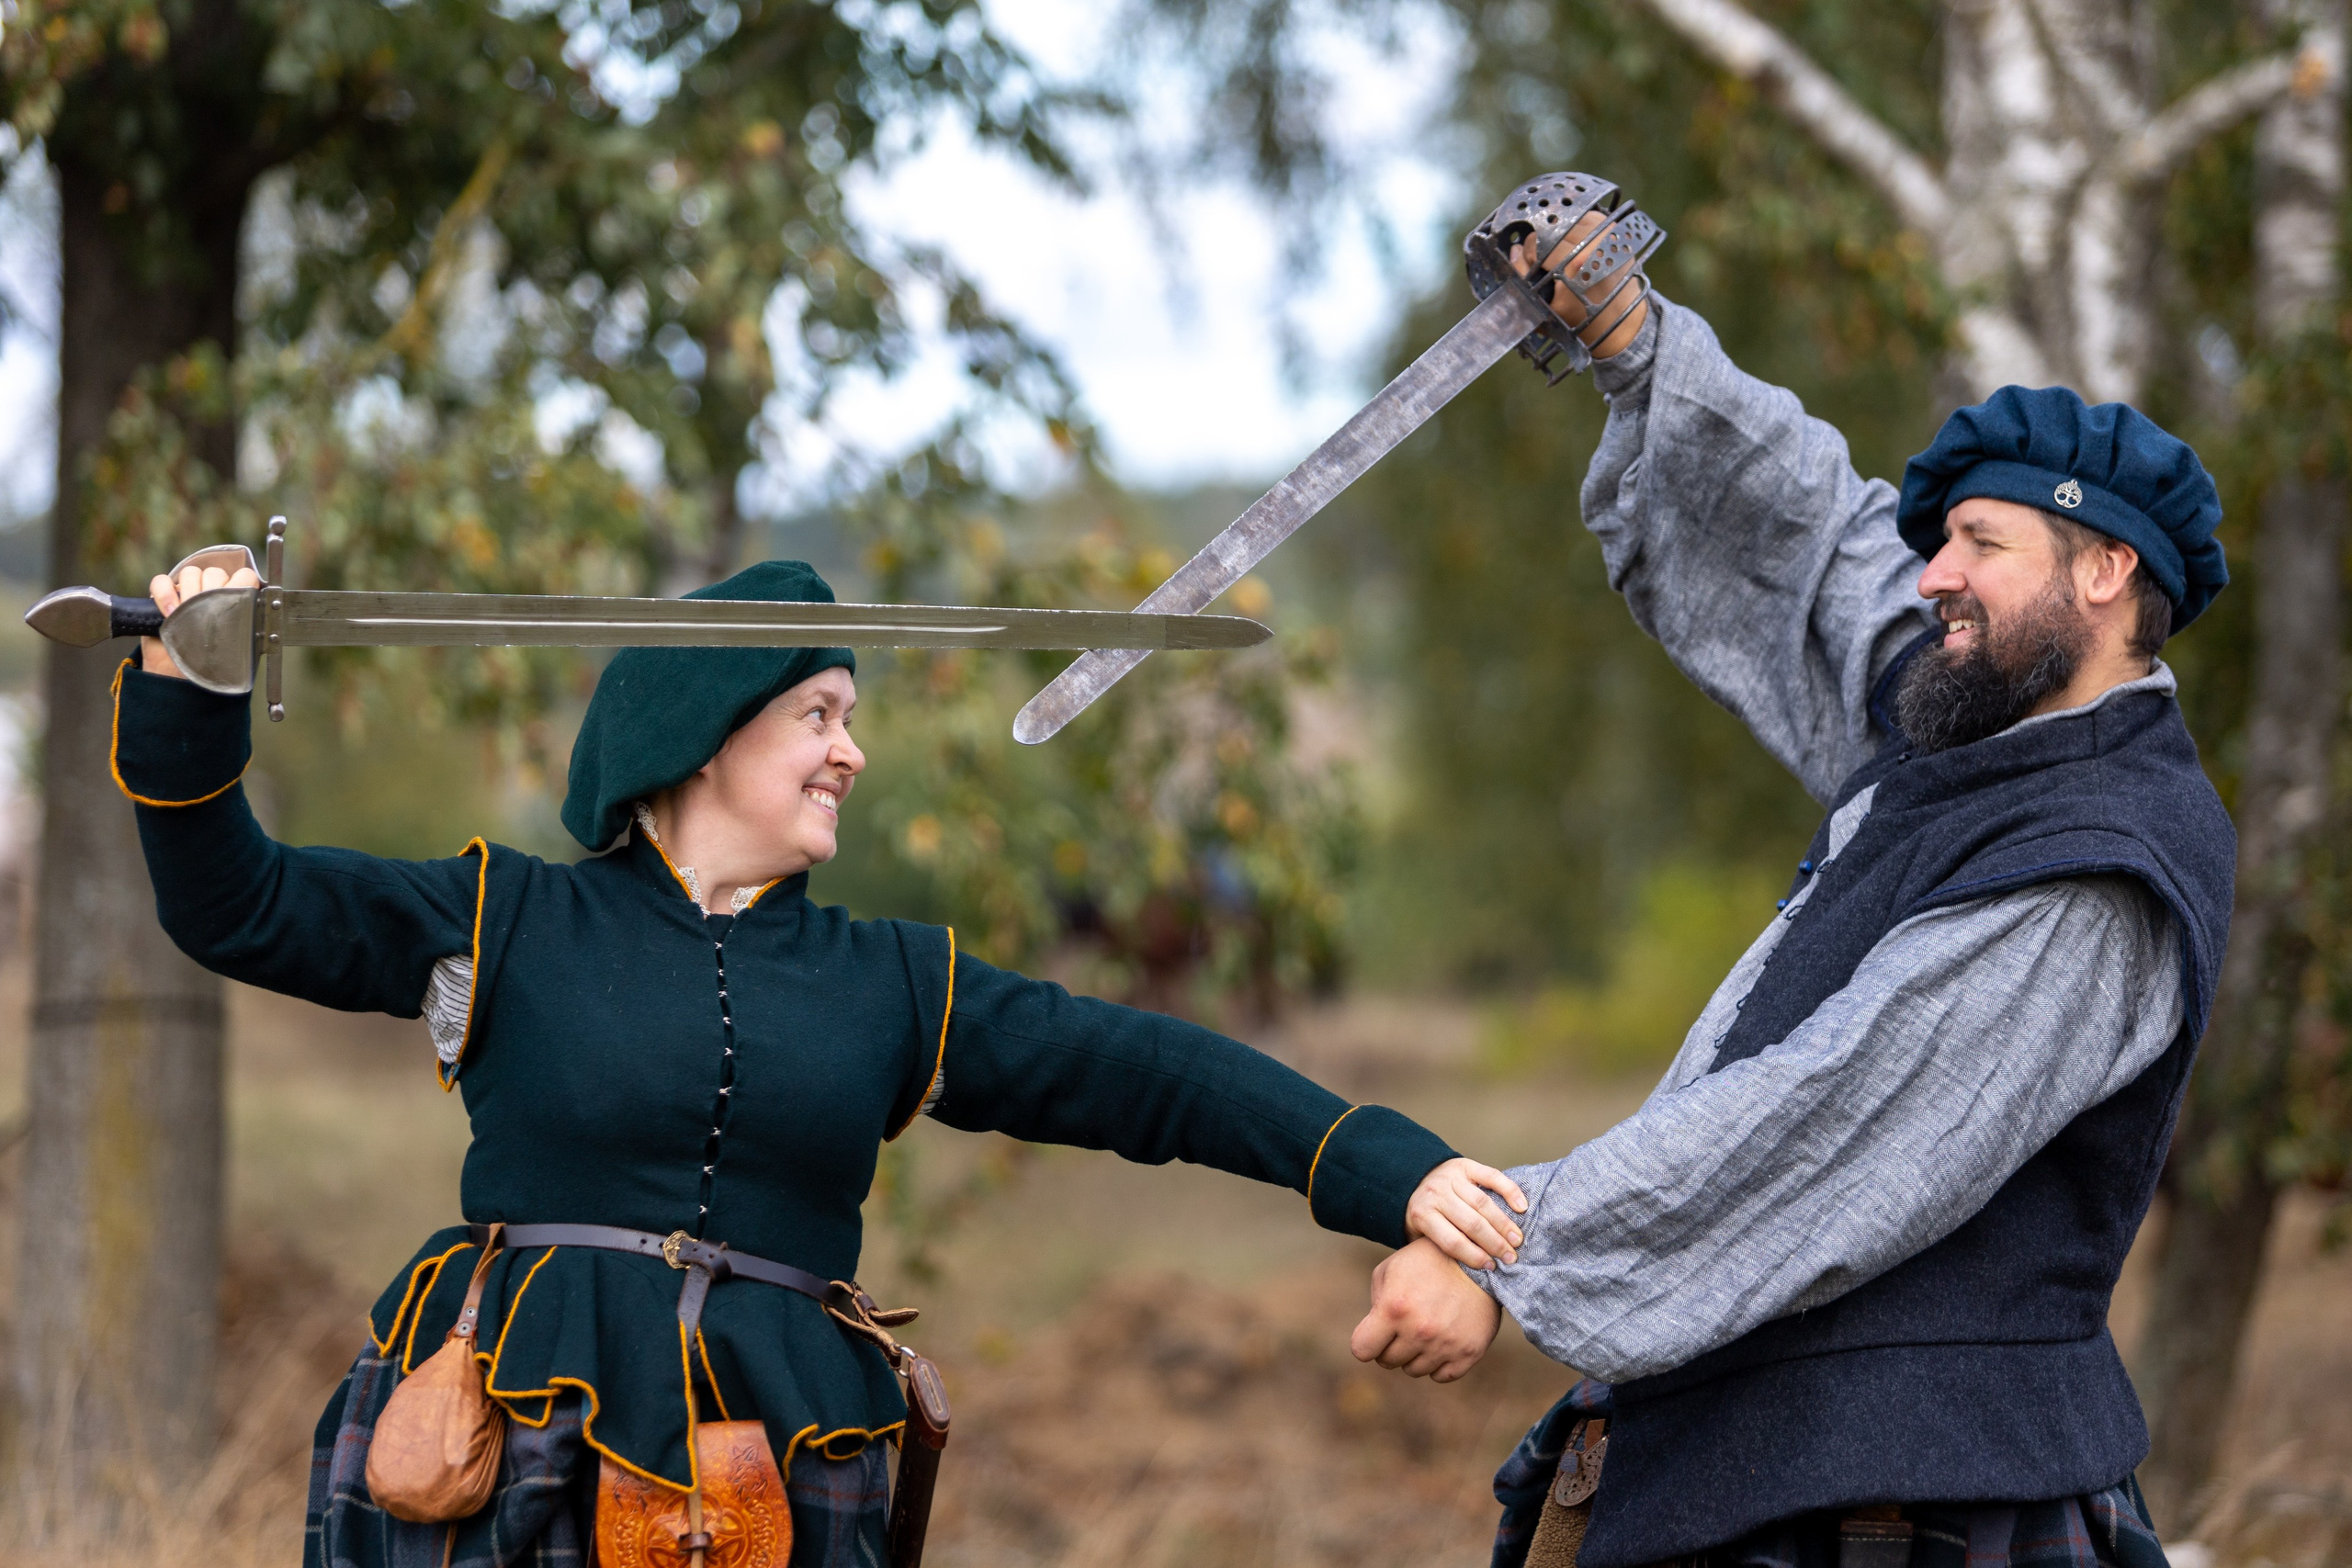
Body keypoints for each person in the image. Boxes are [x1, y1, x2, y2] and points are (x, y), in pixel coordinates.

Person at [117, 556, 1530, 1568]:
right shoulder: (505, 919)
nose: (853, 754)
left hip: (779, 1478)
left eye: (849, 720)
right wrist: (192, 685)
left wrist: (1389, 1172)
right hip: (509, 1451)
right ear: (704, 737)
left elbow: (1144, 1072)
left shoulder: (891, 981)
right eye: (820, 715)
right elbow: (238, 905)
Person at [1348, 211, 2237, 1568]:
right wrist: (1638, 342)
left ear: (2107, 570)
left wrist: (1505, 1249)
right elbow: (1824, 535)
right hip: (1796, 1479)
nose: (1935, 574)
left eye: (1978, 543)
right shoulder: (1970, 724)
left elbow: (1834, 1114)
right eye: (1940, 543)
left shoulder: (2103, 861)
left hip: (1918, 1511)